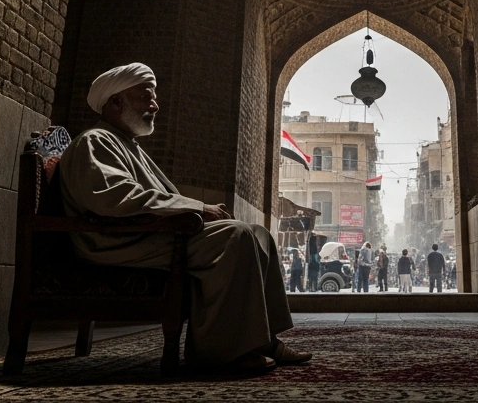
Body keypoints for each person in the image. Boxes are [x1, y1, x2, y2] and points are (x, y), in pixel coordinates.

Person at [57, 63, 311, 373]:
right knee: (236, 236)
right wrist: (200, 209)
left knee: (257, 233)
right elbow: (116, 198)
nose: (155, 105)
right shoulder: (96, 140)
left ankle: (263, 339)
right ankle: (219, 354)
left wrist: (196, 212)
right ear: (115, 102)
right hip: (115, 240)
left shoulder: (126, 145)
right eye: (145, 97)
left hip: (146, 234)